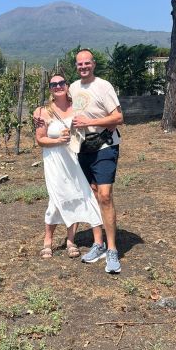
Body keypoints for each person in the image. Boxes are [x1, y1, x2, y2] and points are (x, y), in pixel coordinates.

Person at [34, 74, 103, 259]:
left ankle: (71, 240)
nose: (58, 86)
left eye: (61, 83)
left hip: (74, 159)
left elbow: (92, 118)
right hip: (55, 162)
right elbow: (40, 139)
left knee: (76, 196)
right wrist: (58, 140)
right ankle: (47, 241)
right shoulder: (43, 111)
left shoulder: (77, 107)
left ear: (67, 85)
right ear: (50, 89)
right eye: (53, 84)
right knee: (56, 199)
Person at [70, 49, 124, 274]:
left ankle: (112, 250)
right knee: (92, 194)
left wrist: (91, 122)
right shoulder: (73, 87)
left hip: (105, 145)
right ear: (76, 66)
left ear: (94, 64)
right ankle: (98, 243)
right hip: (83, 147)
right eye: (80, 64)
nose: (83, 67)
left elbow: (118, 117)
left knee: (105, 195)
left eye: (87, 63)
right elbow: (59, 108)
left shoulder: (104, 86)